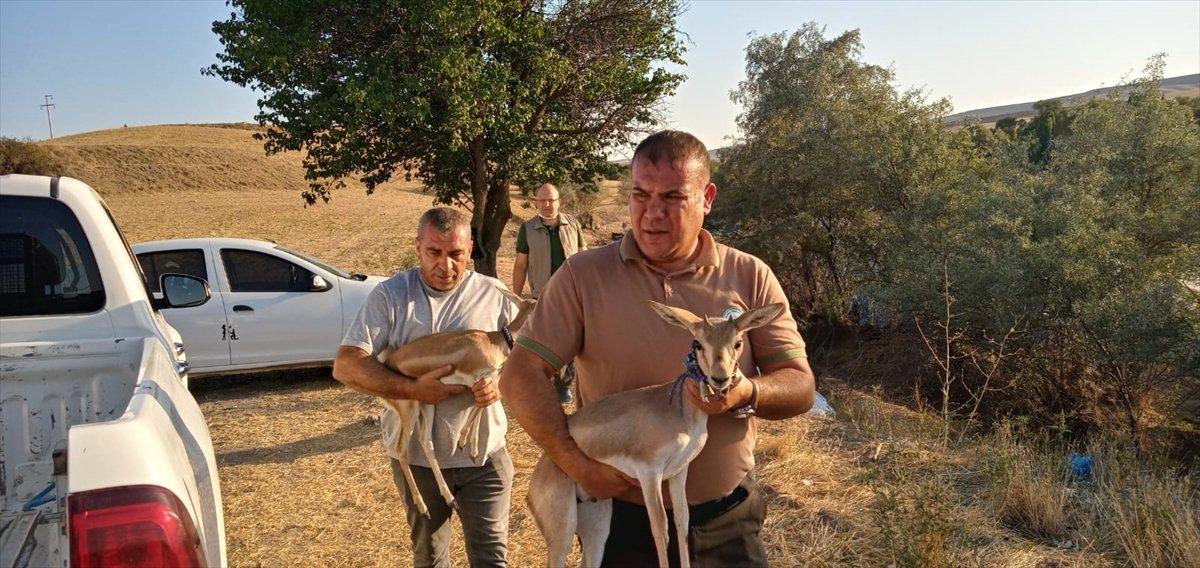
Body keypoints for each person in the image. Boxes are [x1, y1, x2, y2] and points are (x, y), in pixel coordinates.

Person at [499, 130, 815, 567]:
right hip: (624, 523)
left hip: (726, 519)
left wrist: (747, 394)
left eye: (672, 197)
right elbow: (519, 375)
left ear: (706, 197)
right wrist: (576, 463)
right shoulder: (581, 276)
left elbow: (800, 386)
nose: (651, 213)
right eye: (639, 194)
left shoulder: (750, 276)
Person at [333, 207, 516, 568]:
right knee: (430, 558)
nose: (445, 265)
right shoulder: (390, 296)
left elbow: (521, 357)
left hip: (485, 456)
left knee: (492, 558)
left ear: (471, 250)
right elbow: (347, 365)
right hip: (419, 460)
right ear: (417, 247)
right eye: (434, 252)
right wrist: (414, 389)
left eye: (456, 254)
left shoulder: (494, 293)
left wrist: (500, 384)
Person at [512, 182, 586, 404]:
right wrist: (516, 298)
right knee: (545, 342)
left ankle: (565, 384)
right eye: (542, 200)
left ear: (559, 201)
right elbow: (520, 264)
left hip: (571, 295)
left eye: (551, 200)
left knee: (573, 340)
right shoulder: (527, 229)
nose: (546, 204)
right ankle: (550, 383)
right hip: (541, 297)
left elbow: (584, 258)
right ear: (536, 202)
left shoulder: (573, 225)